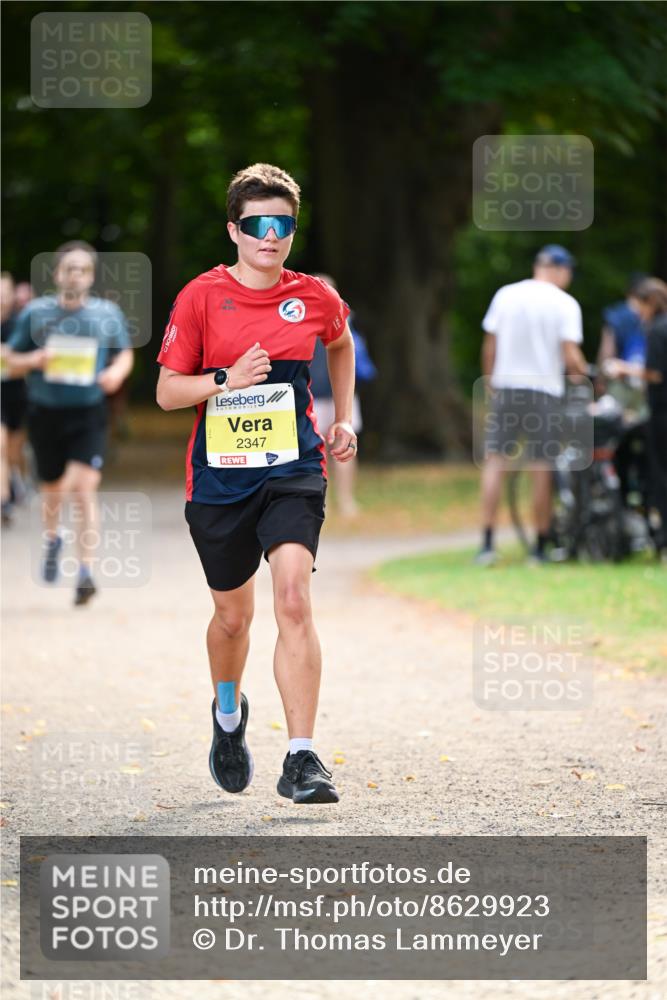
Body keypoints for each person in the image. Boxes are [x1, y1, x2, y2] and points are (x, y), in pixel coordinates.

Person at [156, 163, 356, 806]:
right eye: (256, 225)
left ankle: (301, 759)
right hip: (218, 481)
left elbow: (341, 343)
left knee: (293, 598)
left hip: (293, 470)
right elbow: (164, 394)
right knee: (232, 617)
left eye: (282, 225)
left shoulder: (315, 297)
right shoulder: (200, 297)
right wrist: (225, 380)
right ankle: (226, 713)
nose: (270, 236)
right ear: (234, 231)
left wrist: (343, 416)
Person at [5, 241, 133, 604]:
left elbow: (124, 354)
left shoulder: (107, 314)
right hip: (45, 413)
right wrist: (34, 361)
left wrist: (115, 375)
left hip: (89, 412)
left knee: (83, 489)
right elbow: (7, 359)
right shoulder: (35, 313)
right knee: (53, 491)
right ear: (57, 273)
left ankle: (86, 572)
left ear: (91, 276)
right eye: (69, 268)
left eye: (82, 269)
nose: (75, 274)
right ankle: (51, 538)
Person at [477, 245, 588, 565]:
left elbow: (490, 345)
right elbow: (570, 355)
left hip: (507, 386)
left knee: (495, 461)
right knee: (541, 465)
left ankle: (487, 543)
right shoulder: (565, 304)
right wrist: (582, 374)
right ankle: (539, 546)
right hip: (544, 392)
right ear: (558, 269)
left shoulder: (506, 295)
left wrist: (490, 381)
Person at [603, 277, 667, 561]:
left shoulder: (656, 331)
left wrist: (624, 369)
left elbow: (656, 373)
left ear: (649, 303)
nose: (637, 313)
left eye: (638, 306)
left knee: (660, 476)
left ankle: (663, 541)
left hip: (661, 412)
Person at [309, 273, 376, 517]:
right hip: (315, 396)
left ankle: (344, 500)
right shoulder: (341, 318)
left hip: (338, 396)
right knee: (321, 452)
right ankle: (329, 501)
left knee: (341, 449)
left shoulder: (304, 318)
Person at [1, 272, 28, 524]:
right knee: (0, 444)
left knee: (12, 450)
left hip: (16, 394)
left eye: (4, 292)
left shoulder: (22, 322)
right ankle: (5, 500)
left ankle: (17, 478)